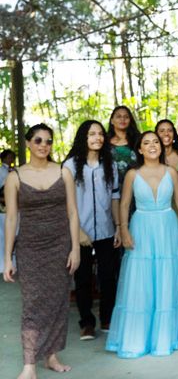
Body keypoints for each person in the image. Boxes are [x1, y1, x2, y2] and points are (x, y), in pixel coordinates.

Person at [106, 131, 178, 357]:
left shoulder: (171, 172)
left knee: (167, 277)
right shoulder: (132, 174)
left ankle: (166, 337)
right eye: (146, 143)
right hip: (142, 227)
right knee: (142, 280)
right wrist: (124, 230)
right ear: (140, 149)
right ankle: (138, 338)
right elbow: (125, 203)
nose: (152, 146)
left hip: (167, 226)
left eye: (155, 141)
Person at [3, 124, 81, 378]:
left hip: (60, 246)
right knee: (33, 304)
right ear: (28, 143)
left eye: (48, 141)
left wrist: (75, 249)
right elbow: (11, 219)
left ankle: (51, 356)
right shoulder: (15, 176)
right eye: (38, 140)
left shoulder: (63, 172)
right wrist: (7, 258)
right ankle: (29, 365)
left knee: (58, 302)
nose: (43, 145)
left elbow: (72, 212)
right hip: (30, 248)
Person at [62, 120, 121, 340]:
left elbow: (115, 197)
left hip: (106, 230)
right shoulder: (70, 166)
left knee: (108, 276)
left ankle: (107, 318)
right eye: (91, 134)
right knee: (83, 278)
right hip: (80, 231)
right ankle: (86, 322)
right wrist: (78, 232)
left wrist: (118, 227)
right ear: (83, 138)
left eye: (100, 134)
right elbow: (66, 203)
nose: (97, 138)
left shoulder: (110, 164)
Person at [108, 106, 140, 190]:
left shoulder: (139, 140)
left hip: (136, 187)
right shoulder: (104, 142)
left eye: (126, 117)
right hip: (111, 188)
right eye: (118, 116)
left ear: (130, 120)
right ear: (112, 121)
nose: (122, 119)